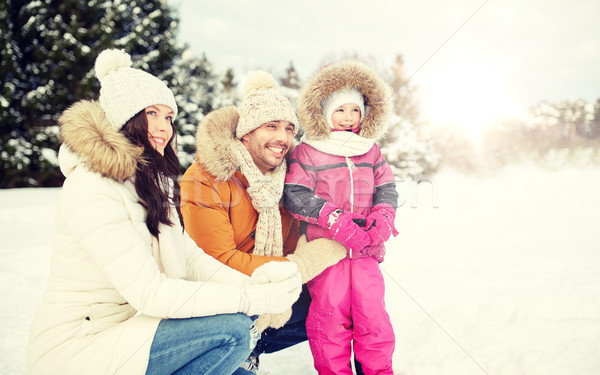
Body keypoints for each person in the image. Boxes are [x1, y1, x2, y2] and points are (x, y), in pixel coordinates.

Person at [27, 49, 304, 375]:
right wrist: (248, 300)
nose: (163, 128)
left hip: (137, 332)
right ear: (123, 117)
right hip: (81, 346)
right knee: (234, 332)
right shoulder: (91, 188)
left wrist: (259, 285)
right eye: (152, 114)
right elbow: (150, 293)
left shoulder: (154, 186)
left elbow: (192, 260)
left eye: (169, 117)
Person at [180, 71, 347, 373]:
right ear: (246, 133)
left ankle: (250, 345)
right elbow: (216, 262)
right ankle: (228, 348)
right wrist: (297, 267)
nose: (282, 138)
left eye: (288, 128)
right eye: (271, 126)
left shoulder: (289, 180)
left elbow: (300, 238)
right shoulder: (205, 178)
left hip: (267, 289)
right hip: (220, 299)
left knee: (337, 296)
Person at [283, 61, 400, 374]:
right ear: (324, 112)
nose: (349, 118)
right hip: (327, 253)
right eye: (340, 110)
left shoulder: (370, 150)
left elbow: (386, 188)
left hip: (364, 250)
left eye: (355, 111)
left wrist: (383, 215)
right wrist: (331, 218)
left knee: (373, 316)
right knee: (330, 319)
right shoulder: (308, 151)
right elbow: (295, 193)